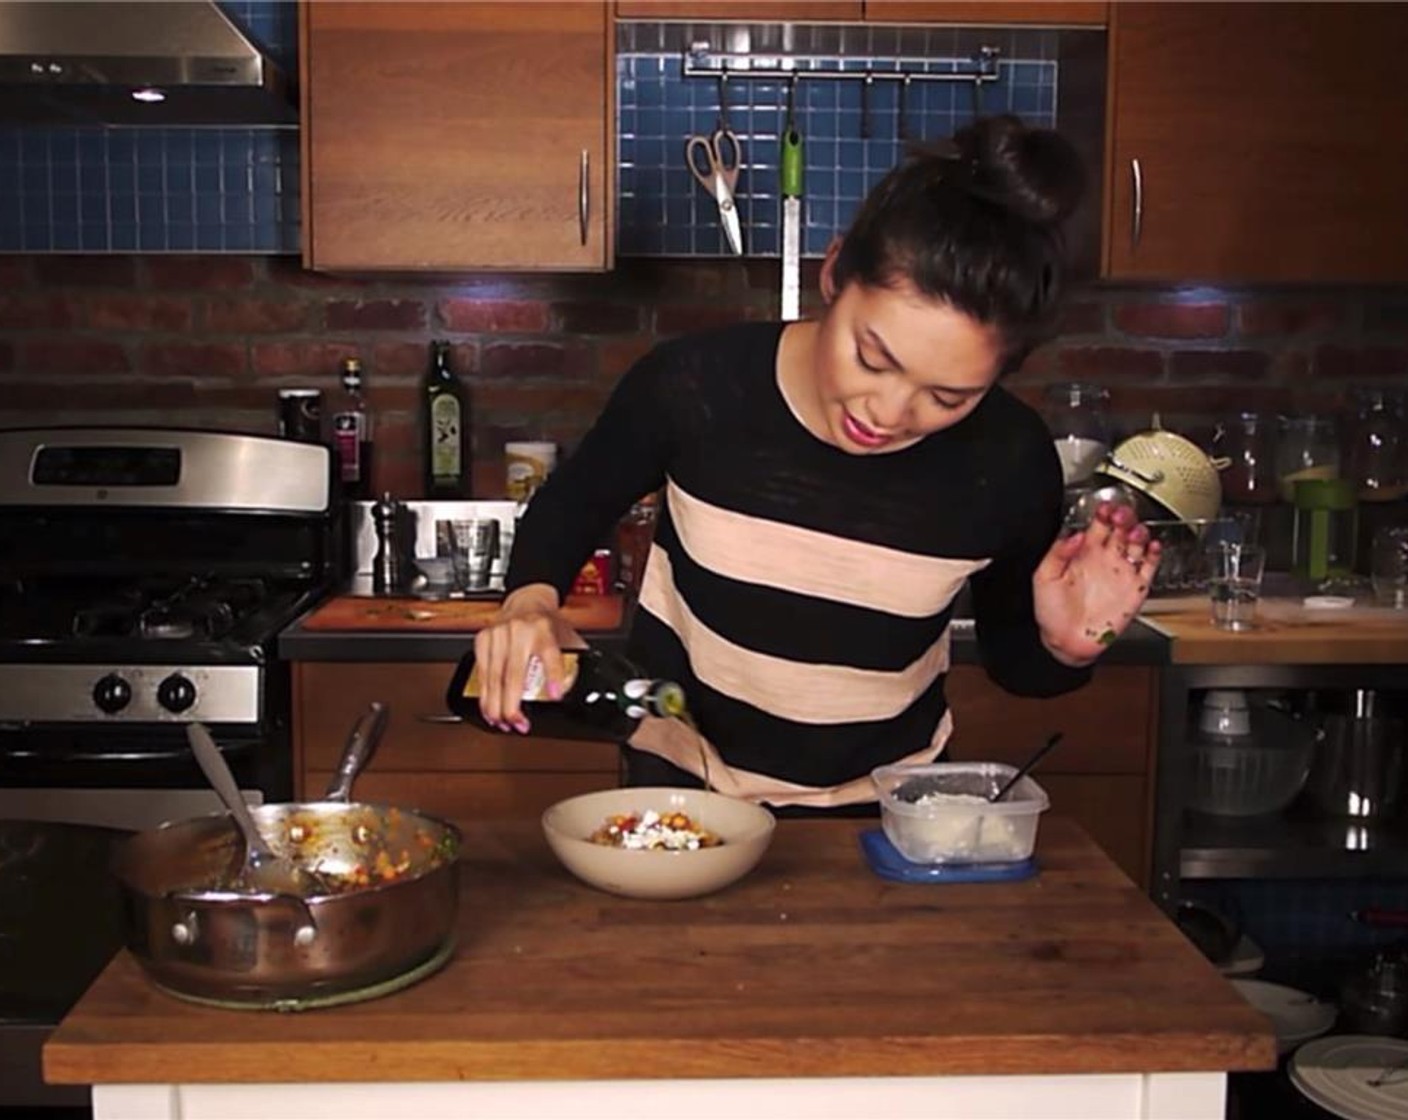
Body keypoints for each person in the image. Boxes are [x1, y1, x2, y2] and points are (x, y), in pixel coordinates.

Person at [470, 114, 1161, 812]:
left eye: (948, 396)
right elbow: (573, 502)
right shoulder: (696, 388)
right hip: (686, 793)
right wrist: (530, 603)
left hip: (889, 807)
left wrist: (1066, 646)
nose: (888, 412)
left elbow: (1017, 662)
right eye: (872, 358)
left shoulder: (1008, 461)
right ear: (834, 272)